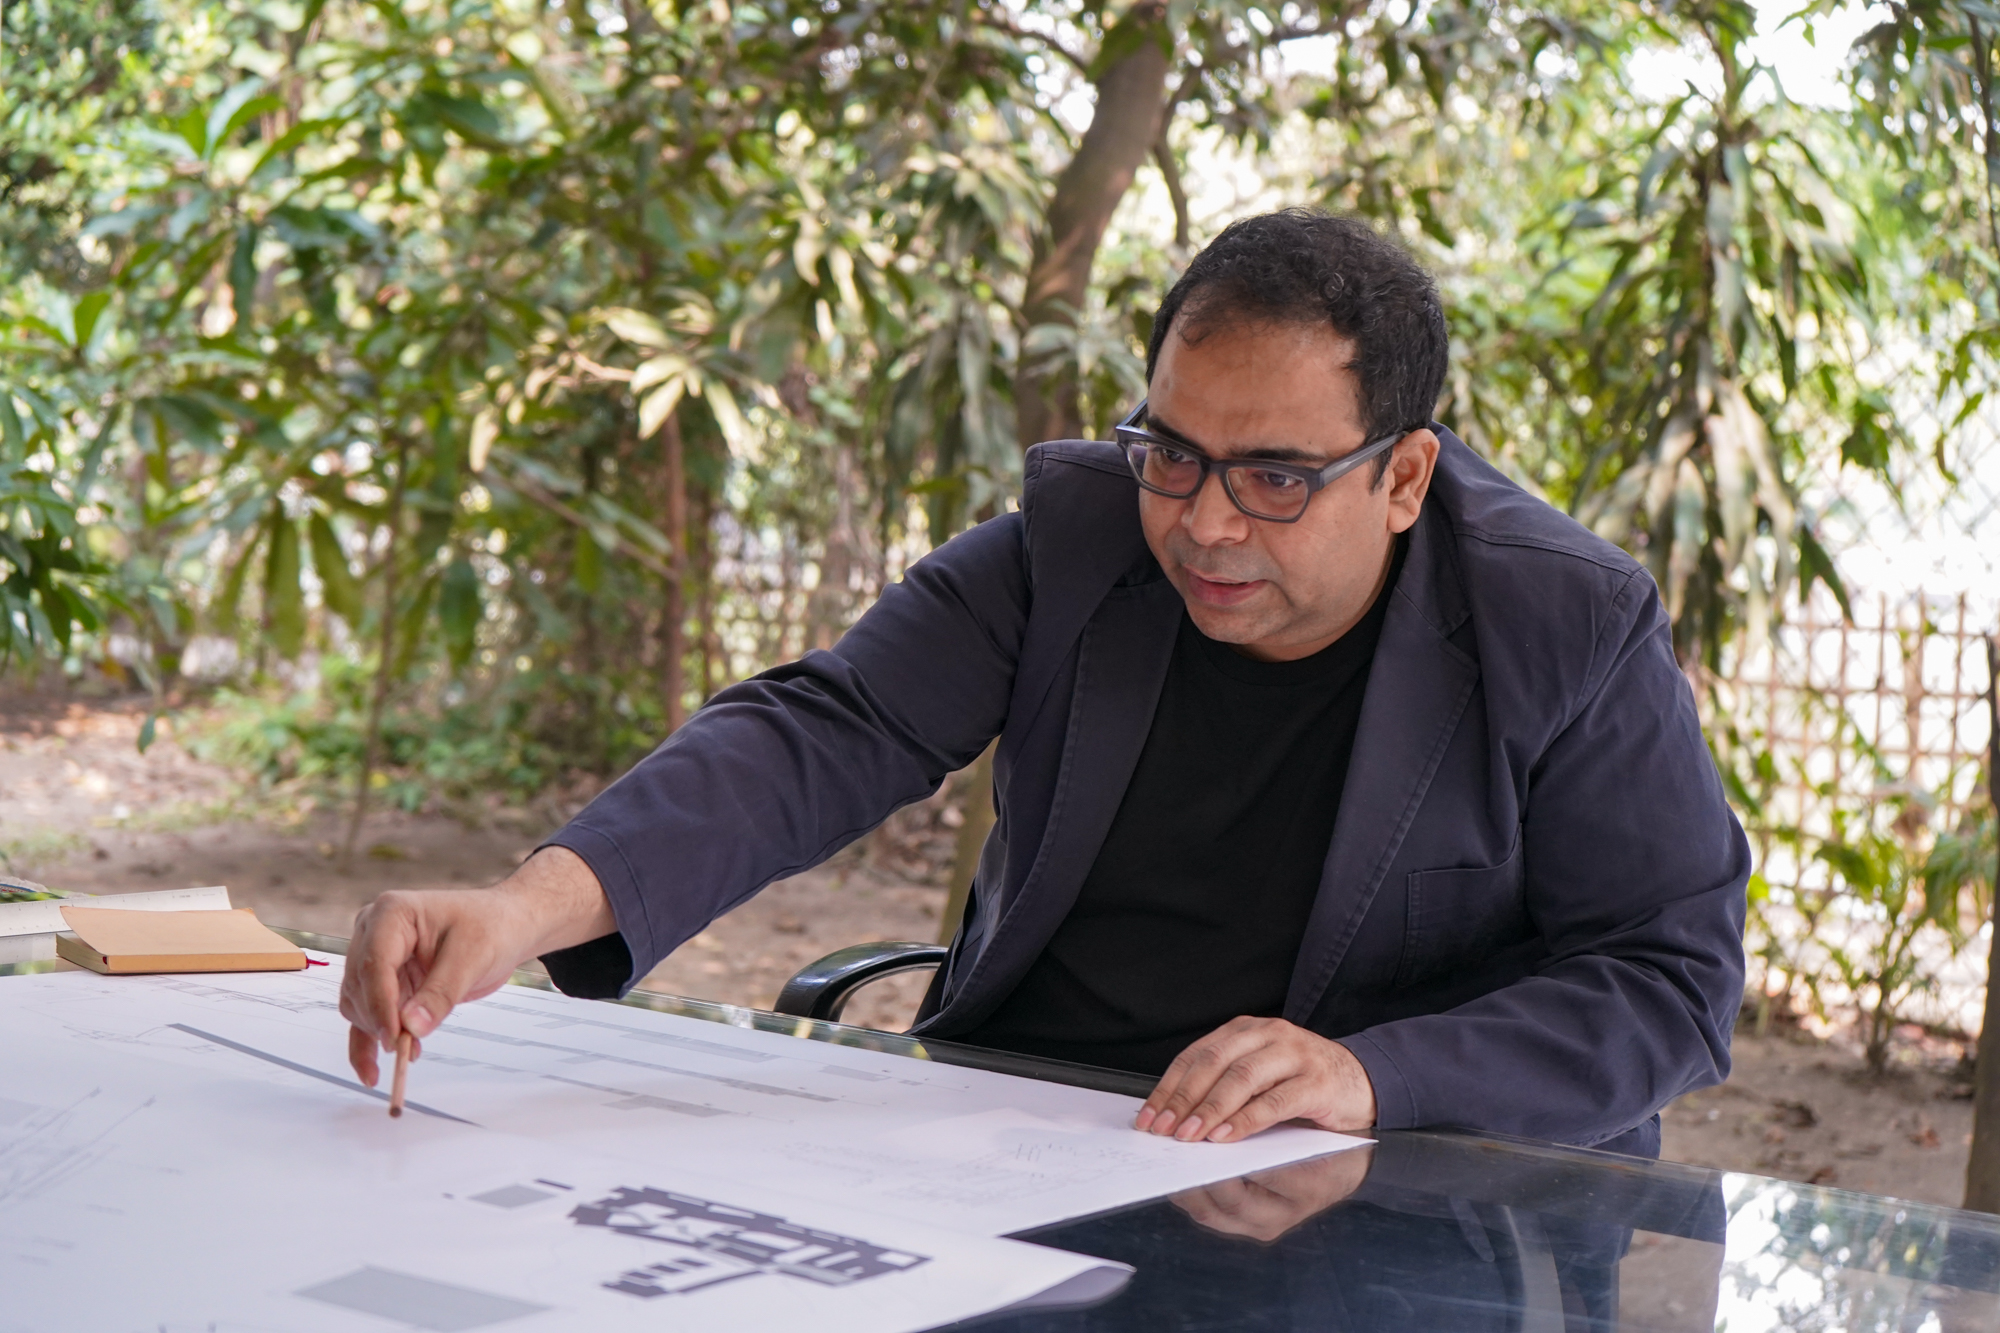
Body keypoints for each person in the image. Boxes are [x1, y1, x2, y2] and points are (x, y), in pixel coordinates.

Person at [340, 209, 1749, 1157]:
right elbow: (824, 729)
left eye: (1274, 477)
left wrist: (1374, 1074)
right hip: (1019, 1138)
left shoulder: (1563, 623)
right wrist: (523, 907)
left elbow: (1668, 979)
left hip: (1349, 1185)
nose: (1204, 523)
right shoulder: (1078, 545)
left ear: (1403, 477)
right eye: (1173, 452)